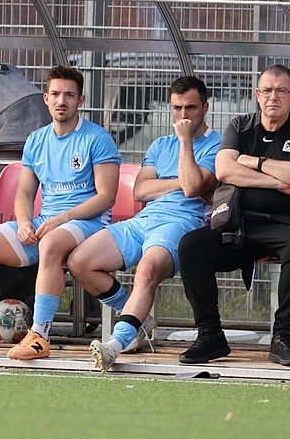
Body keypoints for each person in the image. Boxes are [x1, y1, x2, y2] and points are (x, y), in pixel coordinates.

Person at [0, 65, 121, 360]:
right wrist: (25, 221)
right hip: (46, 223)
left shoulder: (97, 138)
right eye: (55, 94)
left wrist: (62, 219)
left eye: (69, 94)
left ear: (81, 99)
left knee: (51, 242)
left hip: (88, 224)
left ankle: (39, 335)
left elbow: (106, 197)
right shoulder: (37, 140)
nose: (61, 100)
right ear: (45, 98)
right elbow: (24, 193)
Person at [68, 76, 220, 371]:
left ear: (206, 107)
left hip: (182, 223)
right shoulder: (160, 144)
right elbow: (140, 191)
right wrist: (181, 182)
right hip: (144, 221)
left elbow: (193, 189)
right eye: (177, 109)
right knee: (80, 261)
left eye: (190, 108)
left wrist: (186, 143)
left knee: (147, 269)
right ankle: (137, 318)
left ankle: (116, 344)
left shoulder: (218, 145)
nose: (183, 116)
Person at [177, 65, 290, 367]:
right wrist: (278, 181)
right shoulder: (240, 125)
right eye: (267, 90)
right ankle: (210, 335)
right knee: (191, 245)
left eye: (281, 90)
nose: (274, 97)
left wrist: (253, 161)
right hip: (240, 223)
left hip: (289, 225)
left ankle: (283, 336)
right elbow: (225, 170)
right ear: (257, 95)